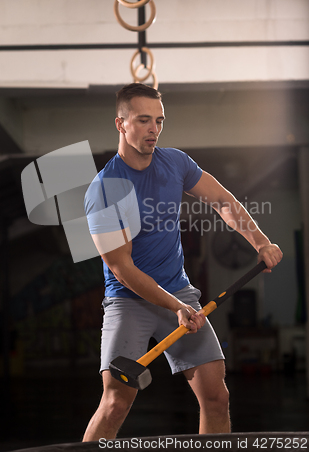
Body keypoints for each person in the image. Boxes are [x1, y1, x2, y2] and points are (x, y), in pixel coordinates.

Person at [83, 83, 283, 441]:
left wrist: (260, 240)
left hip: (178, 292)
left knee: (217, 397)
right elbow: (122, 269)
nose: (153, 129)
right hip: (129, 301)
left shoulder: (174, 163)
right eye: (143, 120)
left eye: (159, 121)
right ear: (121, 124)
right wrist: (176, 306)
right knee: (115, 402)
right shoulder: (104, 189)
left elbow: (222, 201)